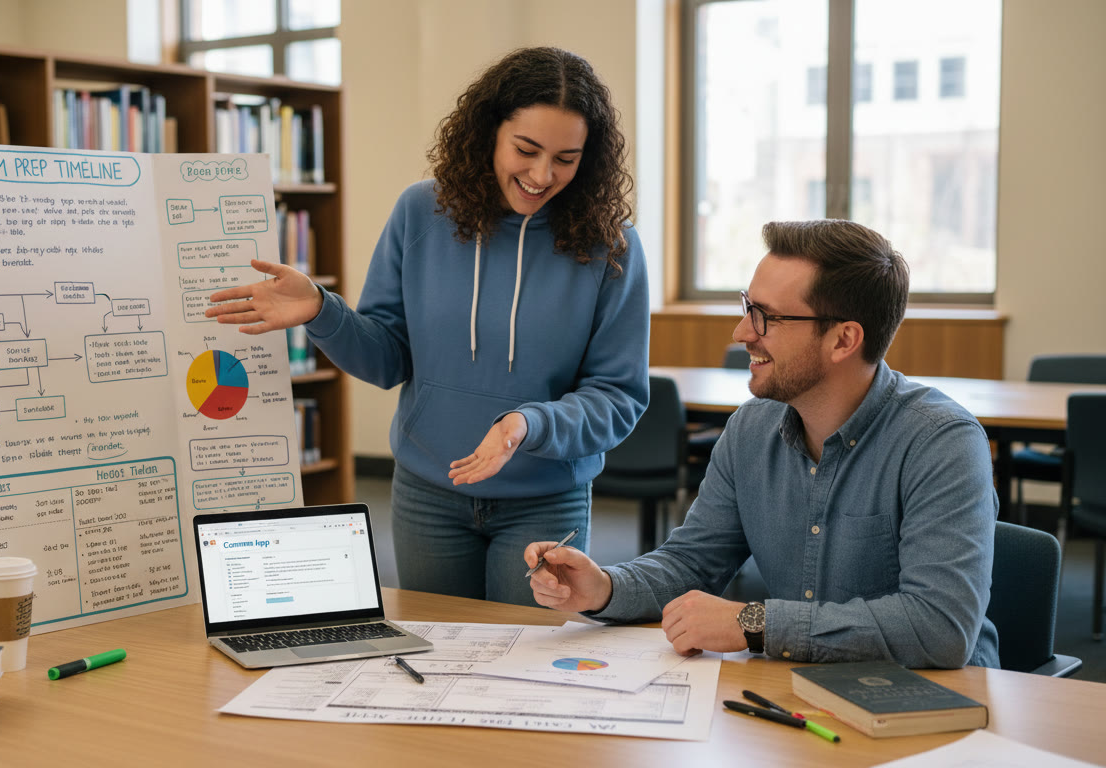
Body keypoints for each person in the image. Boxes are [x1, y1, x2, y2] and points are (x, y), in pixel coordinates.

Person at [205, 47, 650, 606]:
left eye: (566, 158)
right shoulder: (421, 212)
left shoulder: (612, 248)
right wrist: (322, 310)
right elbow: (387, 358)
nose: (542, 175)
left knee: (527, 676)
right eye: (526, 150)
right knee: (433, 665)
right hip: (427, 497)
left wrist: (525, 425)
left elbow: (619, 396)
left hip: (545, 499)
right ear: (489, 132)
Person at [525, 219, 1000, 668]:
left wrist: (755, 623)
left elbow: (941, 628)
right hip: (796, 694)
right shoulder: (751, 431)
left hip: (929, 709)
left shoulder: (942, 444)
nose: (742, 333)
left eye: (766, 317)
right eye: (746, 307)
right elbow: (692, 563)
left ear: (843, 340)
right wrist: (605, 588)